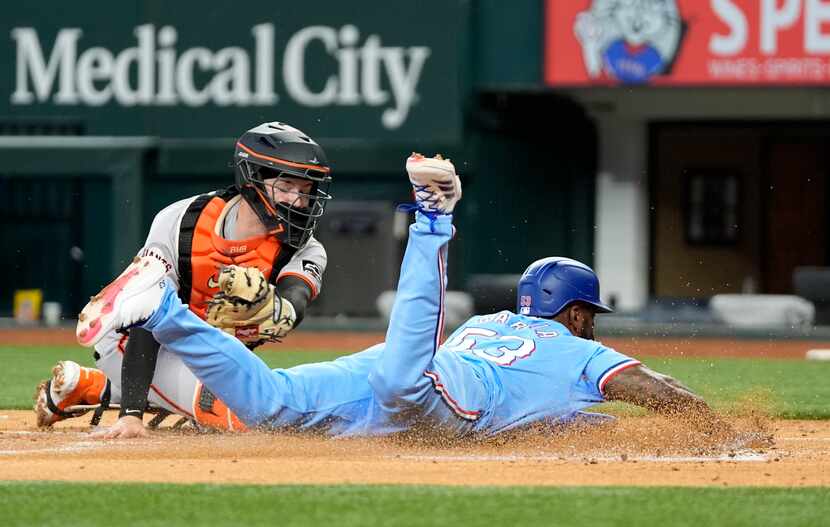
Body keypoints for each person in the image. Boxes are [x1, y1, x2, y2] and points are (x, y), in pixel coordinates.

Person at [75, 153, 733, 441]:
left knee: (272, 405)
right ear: (579, 312)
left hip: (388, 383)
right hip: (436, 391)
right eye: (591, 317)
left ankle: (160, 308)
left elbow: (556, 413)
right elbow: (656, 387)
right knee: (405, 375)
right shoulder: (581, 352)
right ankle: (433, 216)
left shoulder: (497, 321)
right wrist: (722, 430)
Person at [34, 122, 333, 432]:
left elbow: (294, 299)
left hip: (205, 354)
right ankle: (122, 389)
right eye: (285, 188)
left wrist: (279, 311)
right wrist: (131, 415)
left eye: (305, 191)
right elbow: (146, 315)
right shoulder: (182, 221)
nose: (297, 201)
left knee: (267, 400)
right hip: (129, 341)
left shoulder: (306, 249)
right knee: (253, 419)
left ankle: (88, 386)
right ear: (252, 179)